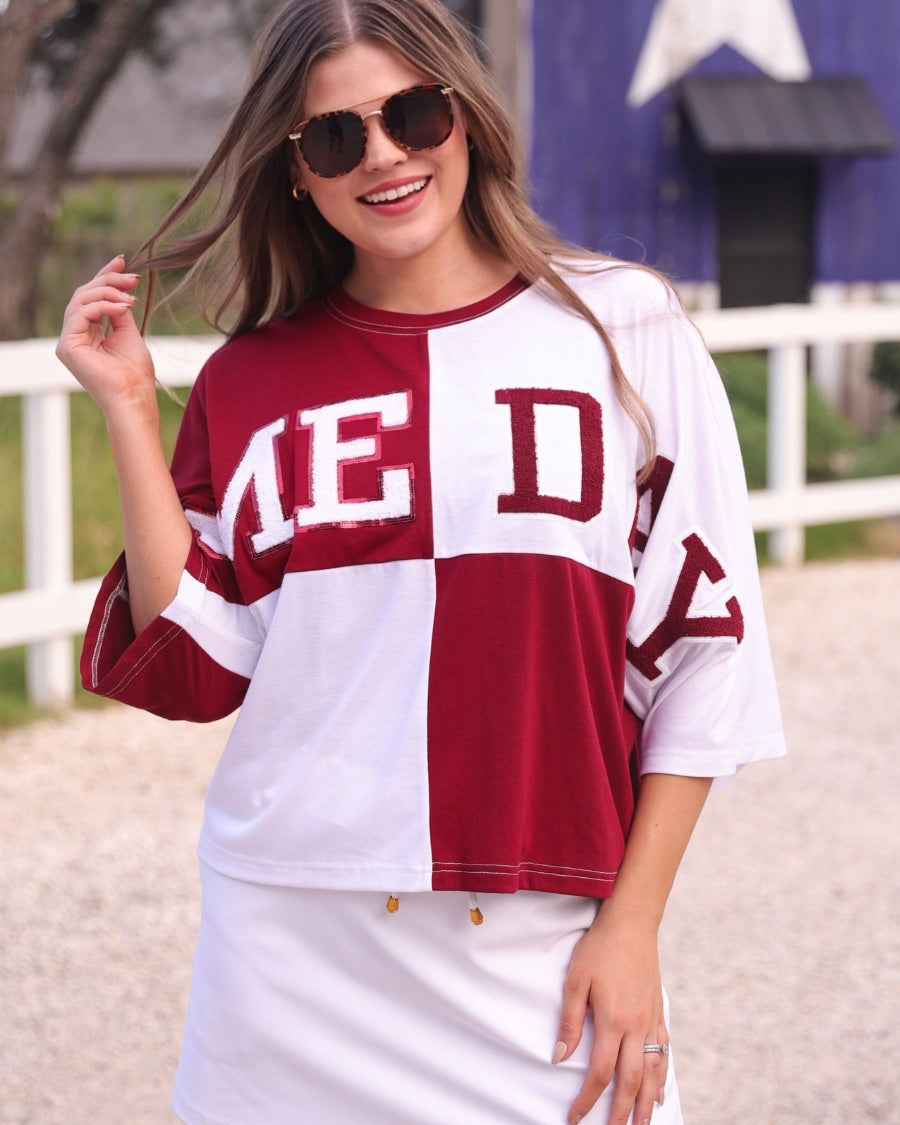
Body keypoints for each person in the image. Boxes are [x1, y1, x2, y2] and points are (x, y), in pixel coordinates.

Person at [56, 2, 785, 1123]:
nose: (385, 155)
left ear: (468, 118)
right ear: (296, 172)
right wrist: (127, 414)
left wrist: (632, 926)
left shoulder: (622, 328)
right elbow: (198, 662)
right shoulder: (254, 381)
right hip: (292, 949)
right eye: (336, 137)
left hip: (540, 944)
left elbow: (707, 655)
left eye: (414, 114)